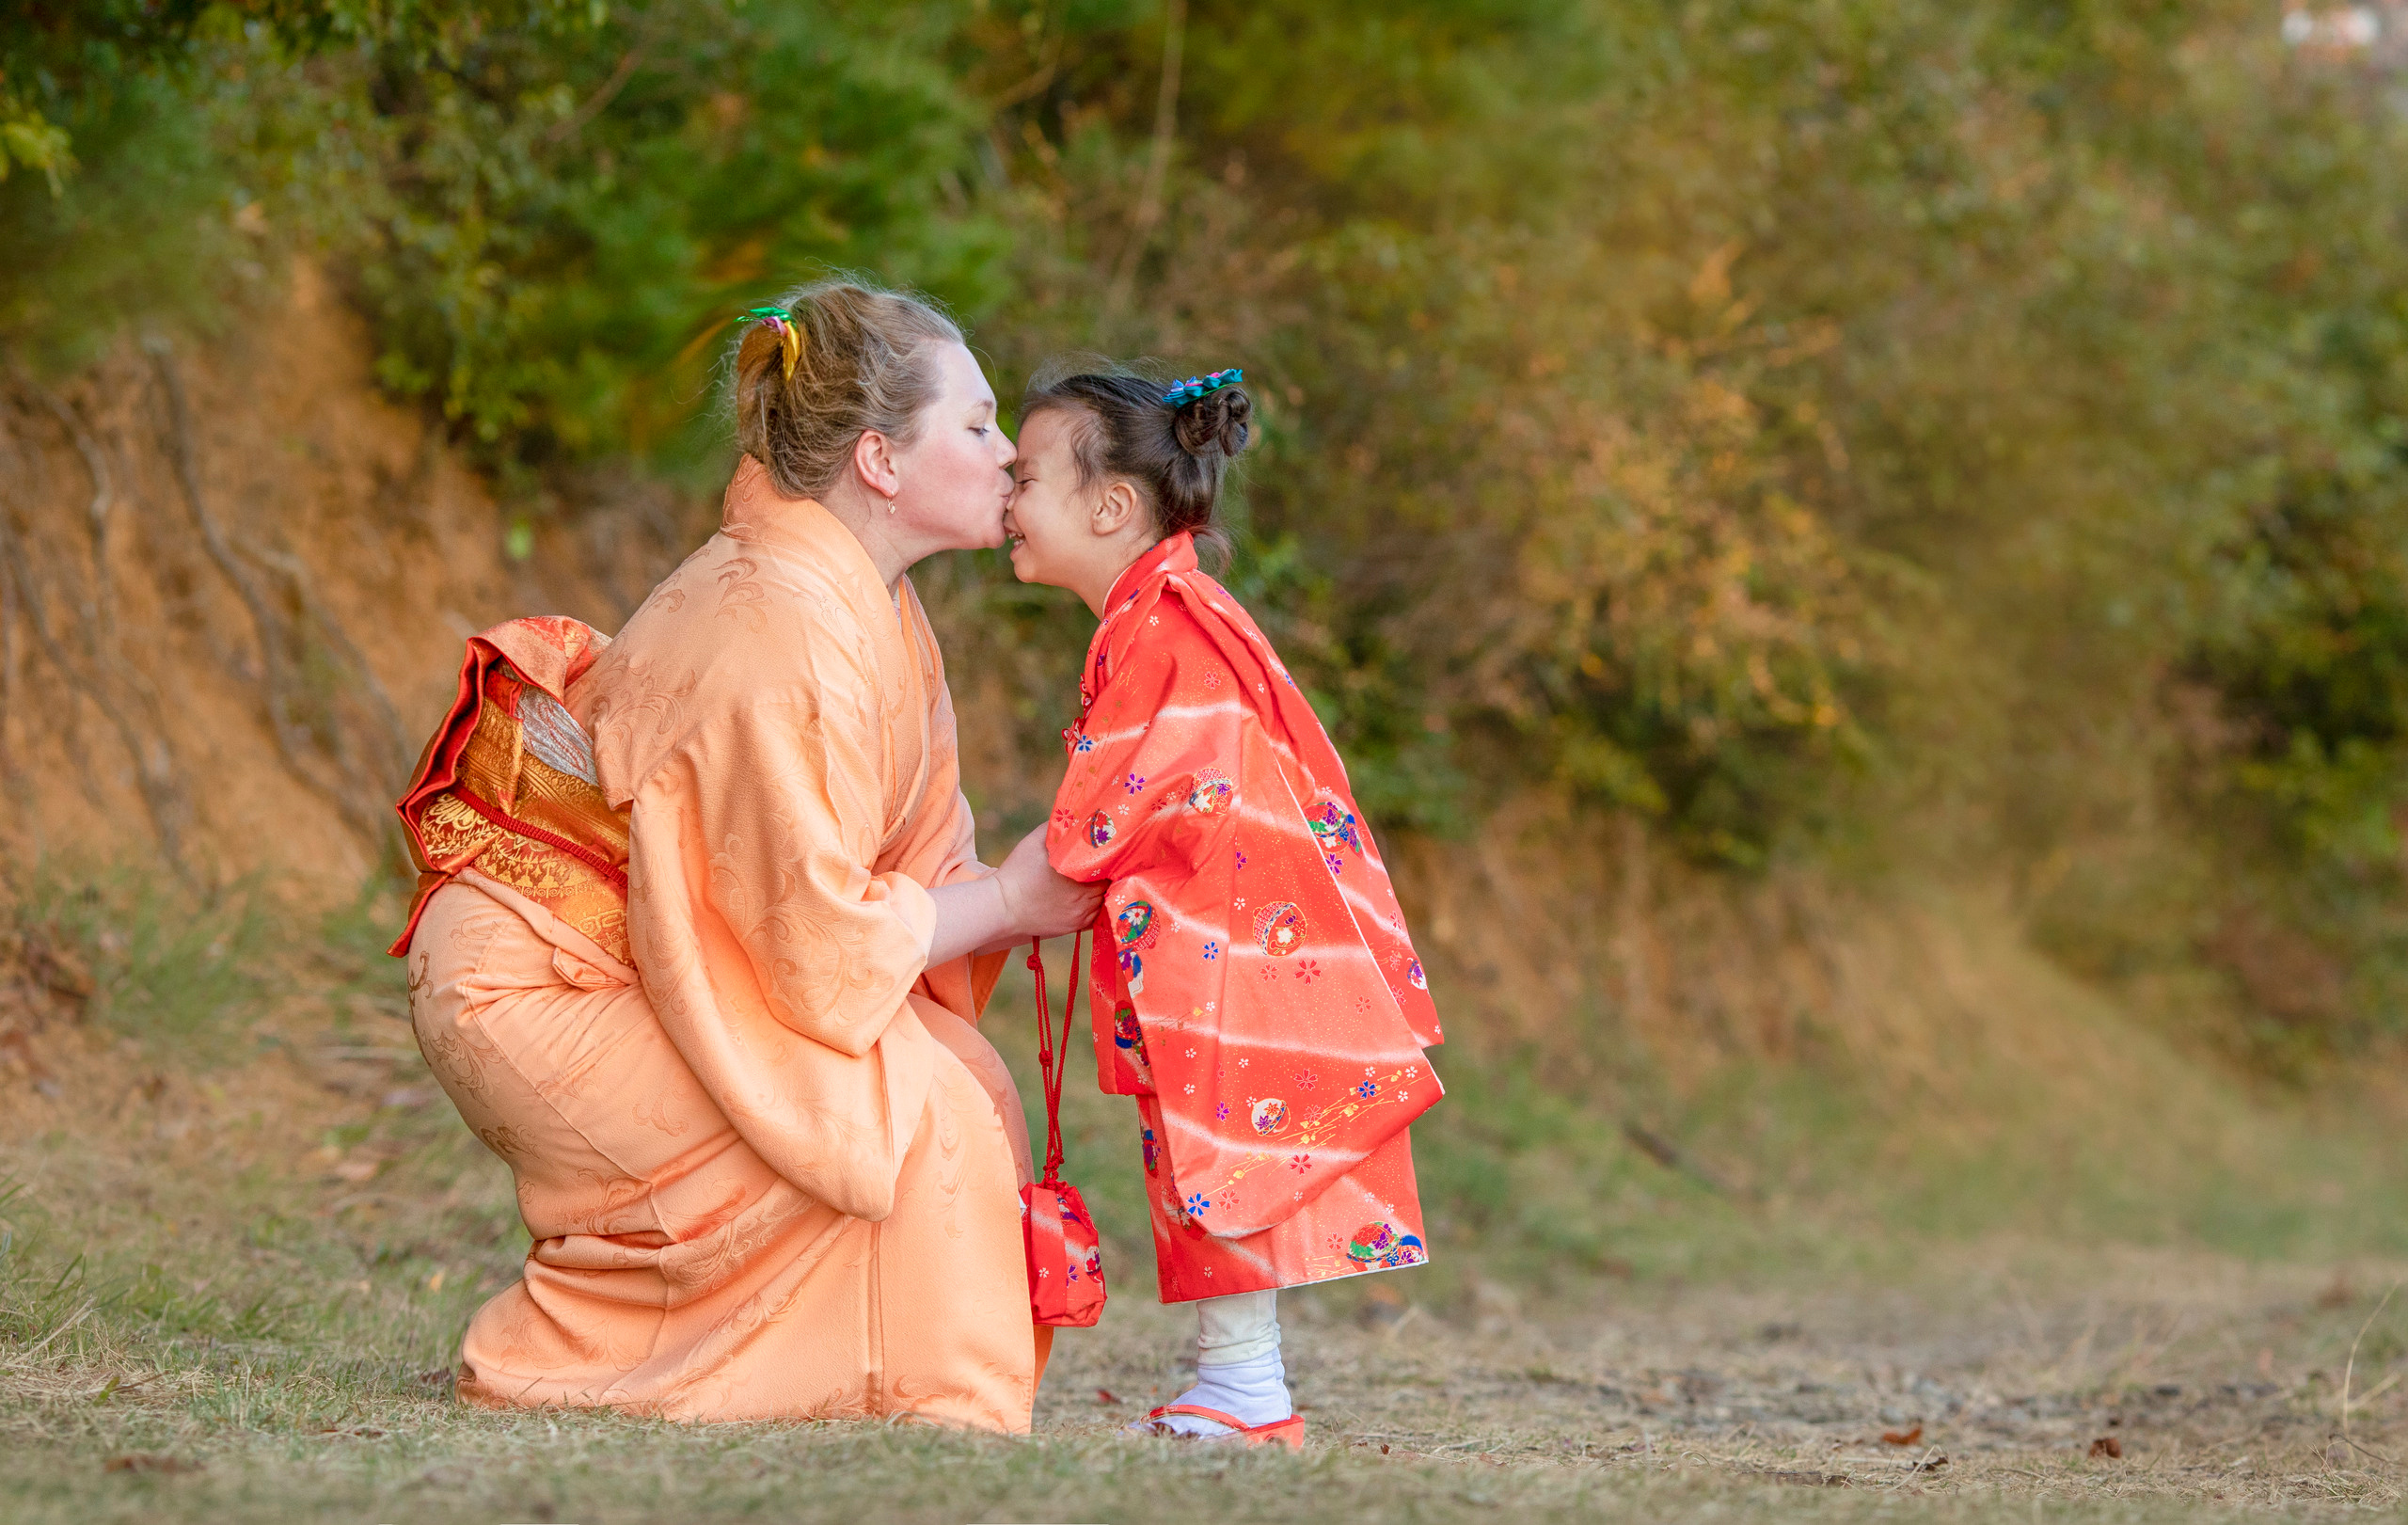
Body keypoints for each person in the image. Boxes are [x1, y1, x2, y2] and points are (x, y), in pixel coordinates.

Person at [393, 279, 1101, 1430]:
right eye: (975, 427)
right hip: (537, 984)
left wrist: (1075, 874)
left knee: (958, 1083)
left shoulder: (869, 606)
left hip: (651, 958)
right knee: (901, 1107)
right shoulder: (778, 614)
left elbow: (915, 860)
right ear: (878, 460)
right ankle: (570, 1365)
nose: (1009, 455)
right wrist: (1015, 898)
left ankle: (901, 1390)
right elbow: (809, 943)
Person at [1002, 365, 1445, 1446]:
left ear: (1110, 508)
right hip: (1218, 927)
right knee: (1205, 1151)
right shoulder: (1163, 606)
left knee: (1222, 1154)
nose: (1003, 498)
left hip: (1234, 938)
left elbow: (1153, 776)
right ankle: (1233, 1381)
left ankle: (1245, 1388)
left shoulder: (1170, 618)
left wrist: (1059, 849)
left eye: (1021, 477)